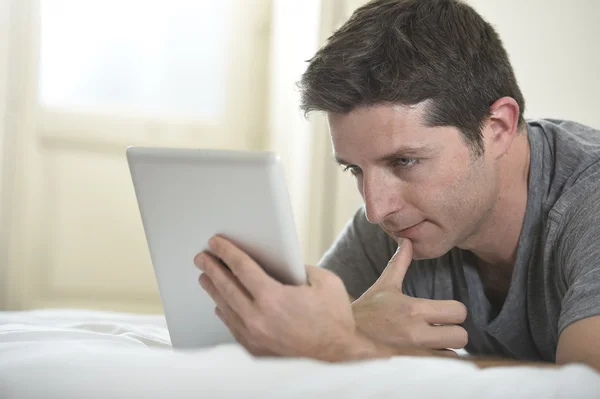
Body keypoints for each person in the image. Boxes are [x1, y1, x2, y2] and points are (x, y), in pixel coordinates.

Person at [194, 0, 600, 371]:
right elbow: (300, 337)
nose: (376, 209)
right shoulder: (399, 223)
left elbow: (586, 384)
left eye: (404, 161)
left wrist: (349, 346)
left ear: (497, 128)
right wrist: (339, 330)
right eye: (354, 169)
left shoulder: (589, 199)